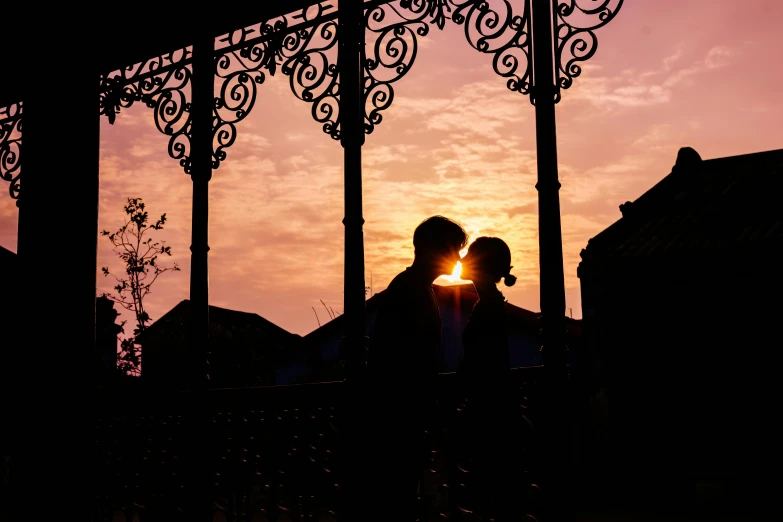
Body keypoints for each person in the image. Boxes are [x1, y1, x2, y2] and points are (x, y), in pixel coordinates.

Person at [357, 215, 468, 522]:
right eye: (454, 249)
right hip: (397, 417)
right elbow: (400, 357)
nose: (458, 258)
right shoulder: (410, 290)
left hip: (404, 415)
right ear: (435, 248)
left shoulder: (416, 288)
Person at [455, 236, 522, 521]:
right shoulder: (490, 303)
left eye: (469, 256)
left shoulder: (488, 308)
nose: (462, 260)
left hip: (489, 413)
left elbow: (479, 362)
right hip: (494, 410)